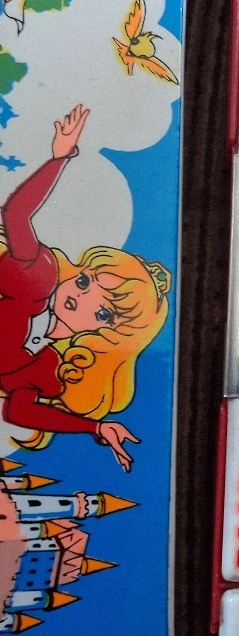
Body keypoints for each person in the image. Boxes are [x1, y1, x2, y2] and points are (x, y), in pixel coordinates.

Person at [0, 104, 171, 471]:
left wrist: (95, 427)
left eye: (103, 311)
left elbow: (19, 412)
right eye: (84, 281)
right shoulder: (35, 280)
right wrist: (59, 158)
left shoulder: (48, 370)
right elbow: (15, 215)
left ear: (106, 332)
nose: (80, 296)